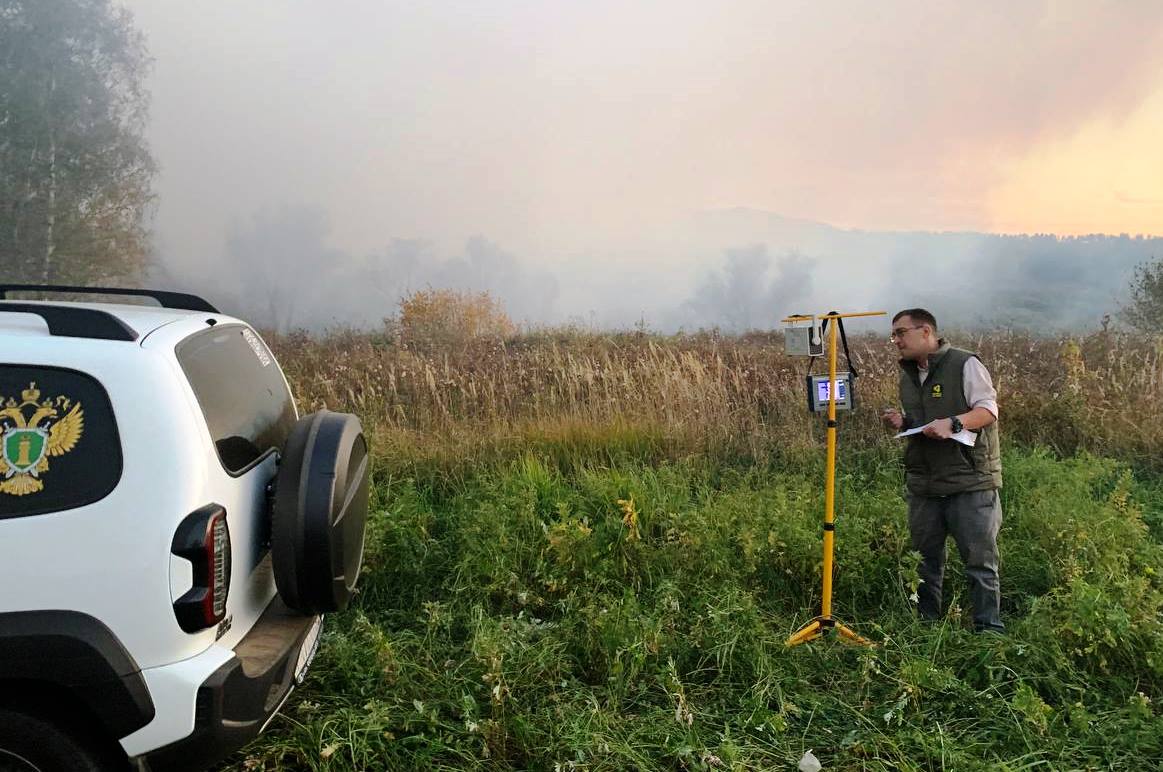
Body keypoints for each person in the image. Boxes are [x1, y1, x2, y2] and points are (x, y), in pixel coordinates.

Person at [880, 309, 1004, 632]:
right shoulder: (908, 375)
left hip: (969, 482)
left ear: (926, 332)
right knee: (925, 563)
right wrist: (905, 424)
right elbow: (925, 422)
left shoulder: (965, 364)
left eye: (900, 333)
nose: (895, 341)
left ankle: (989, 634)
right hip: (925, 484)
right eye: (893, 335)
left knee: (980, 564)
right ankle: (926, 632)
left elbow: (988, 410)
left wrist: (954, 423)